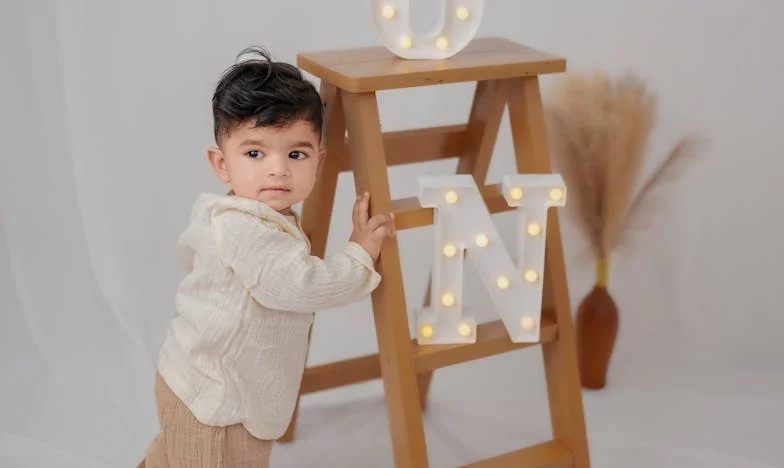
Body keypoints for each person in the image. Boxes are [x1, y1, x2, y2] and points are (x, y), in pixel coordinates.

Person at [142, 46, 395, 467]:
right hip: (217, 406)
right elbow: (301, 285)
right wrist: (360, 254)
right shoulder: (245, 229)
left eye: (296, 154)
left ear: (319, 161)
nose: (278, 169)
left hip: (195, 383)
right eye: (255, 153)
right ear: (221, 164)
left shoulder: (240, 214)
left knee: (167, 459)